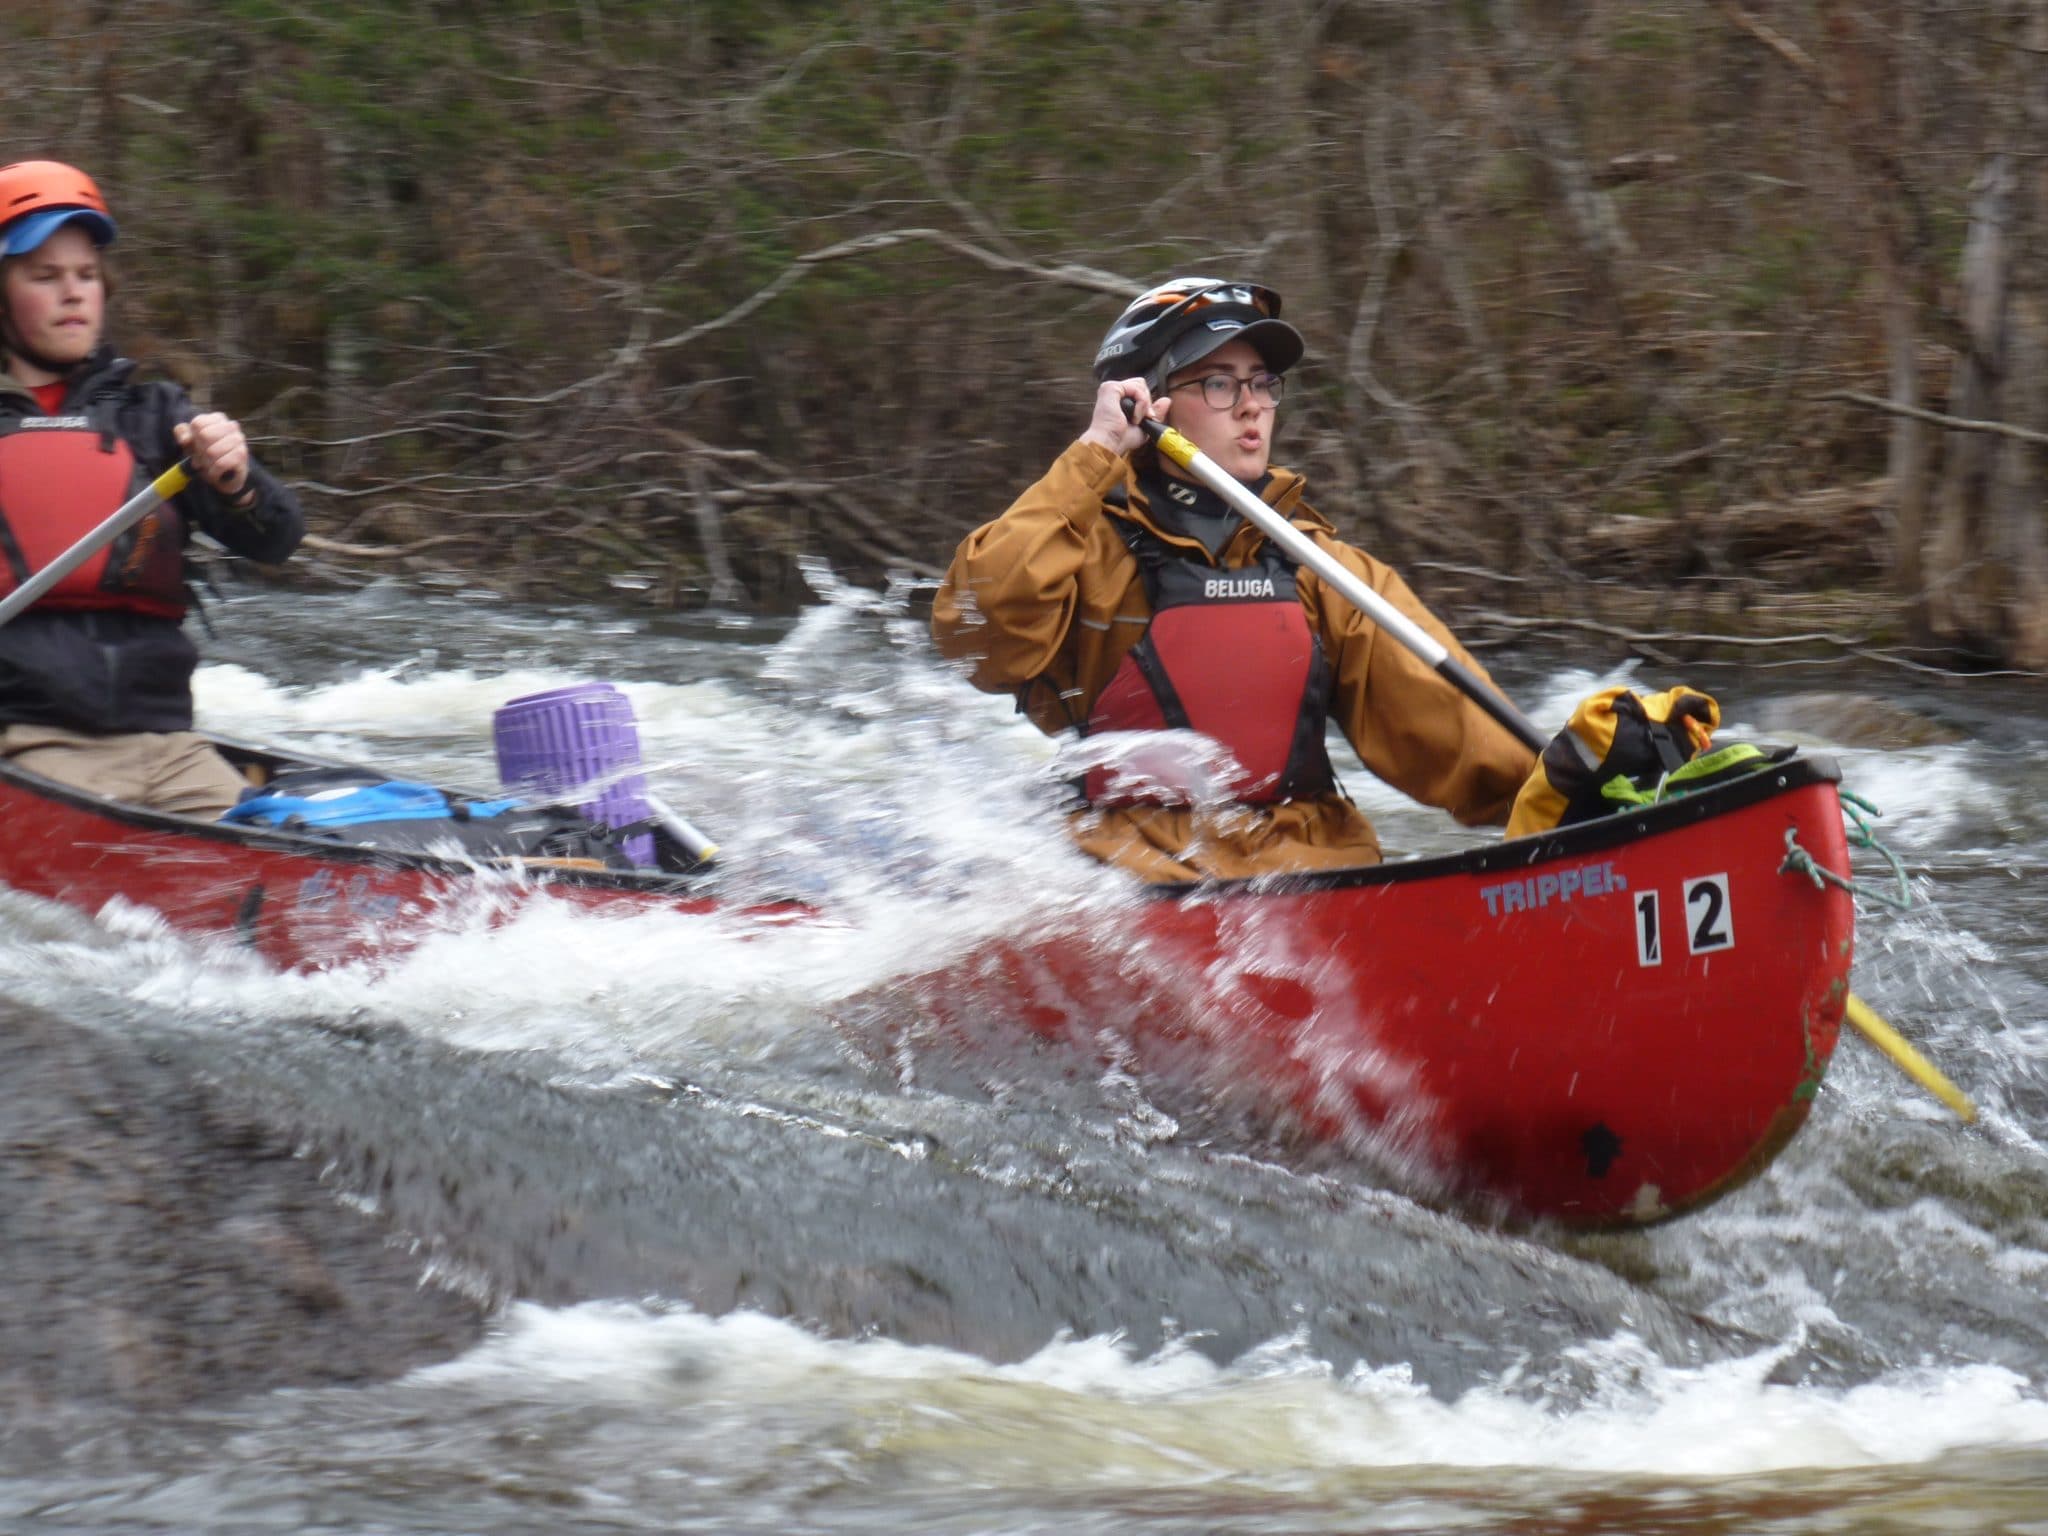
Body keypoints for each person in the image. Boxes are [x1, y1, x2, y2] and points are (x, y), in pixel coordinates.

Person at [932, 276, 1535, 882]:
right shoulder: (1081, 554)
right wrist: (1097, 450)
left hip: (1313, 877)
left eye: (1262, 383)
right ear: (1149, 402)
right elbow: (976, 637)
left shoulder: (1322, 570)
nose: (1252, 405)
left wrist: (1561, 787)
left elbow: (1462, 732)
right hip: (1128, 886)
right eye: (1219, 383)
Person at [0, 159, 303, 817]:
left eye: (86, 275)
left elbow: (279, 538)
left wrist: (236, 480)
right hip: (25, 747)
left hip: (169, 750)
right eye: (45, 277)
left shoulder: (155, 416)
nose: (73, 293)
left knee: (281, 840)